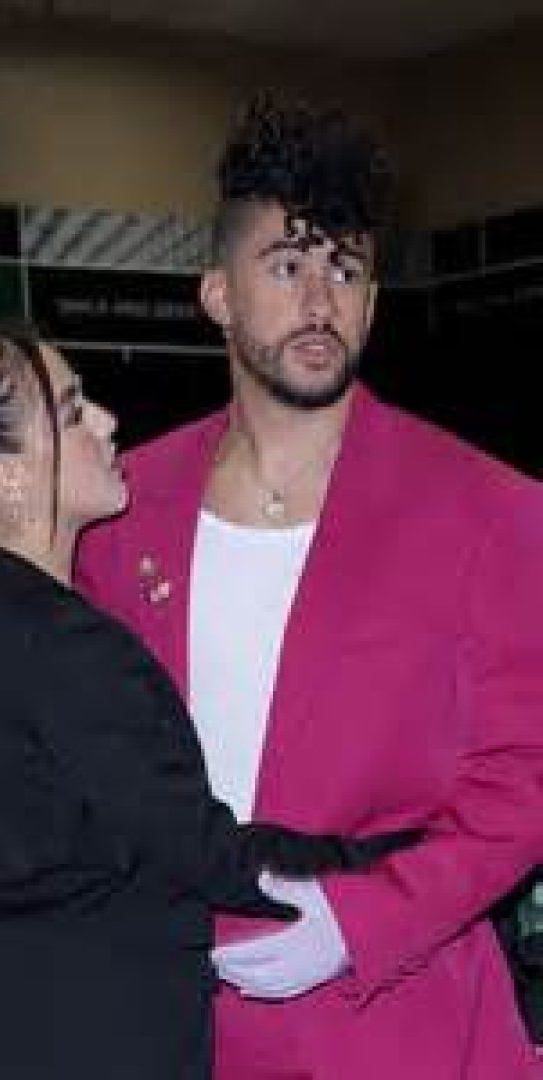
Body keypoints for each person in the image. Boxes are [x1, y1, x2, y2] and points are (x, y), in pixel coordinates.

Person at [76, 96, 543, 1078]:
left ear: (374, 301)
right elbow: (62, 742)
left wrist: (362, 921)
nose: (321, 300)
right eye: (288, 267)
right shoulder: (120, 510)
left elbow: (524, 782)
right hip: (169, 1012)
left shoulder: (488, 509)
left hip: (399, 1019)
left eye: (348, 269)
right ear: (218, 294)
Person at [0, 310, 417, 1080]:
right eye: (73, 412)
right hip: (100, 1044)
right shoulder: (59, 642)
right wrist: (389, 853)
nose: (107, 423)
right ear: (4, 474)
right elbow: (202, 851)